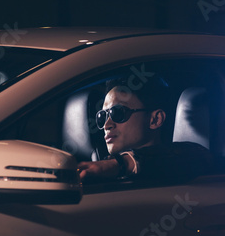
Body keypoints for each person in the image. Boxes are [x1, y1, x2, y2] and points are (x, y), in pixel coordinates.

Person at [77, 75, 212, 183]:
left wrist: (120, 165)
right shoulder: (102, 169)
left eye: (118, 112)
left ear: (155, 119)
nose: (107, 125)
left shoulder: (186, 160)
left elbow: (198, 156)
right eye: (102, 116)